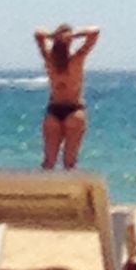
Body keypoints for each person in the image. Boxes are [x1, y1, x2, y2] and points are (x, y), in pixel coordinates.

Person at [33, 23, 100, 170]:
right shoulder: (76, 59)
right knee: (69, 163)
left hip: (55, 110)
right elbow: (95, 32)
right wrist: (72, 37)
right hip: (74, 109)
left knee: (48, 163)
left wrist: (55, 37)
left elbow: (38, 34)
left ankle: (48, 191)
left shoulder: (50, 60)